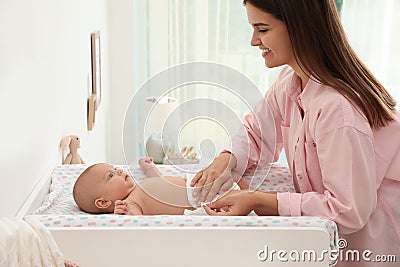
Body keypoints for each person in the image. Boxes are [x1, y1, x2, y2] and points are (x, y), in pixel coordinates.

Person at [190, 0, 400, 265]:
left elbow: (348, 211)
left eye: (262, 29)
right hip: (334, 241)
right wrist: (226, 158)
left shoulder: (337, 109)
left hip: (372, 246)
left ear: (299, 28)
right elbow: (258, 131)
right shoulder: (291, 81)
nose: (254, 41)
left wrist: (262, 200)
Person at [73, 158, 245, 215]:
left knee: (234, 175)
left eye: (115, 168)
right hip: (203, 201)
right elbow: (139, 224)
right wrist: (125, 213)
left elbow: (157, 178)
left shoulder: (140, 186)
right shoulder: (131, 202)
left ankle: (253, 195)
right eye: (110, 175)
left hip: (199, 184)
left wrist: (148, 167)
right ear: (103, 202)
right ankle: (255, 200)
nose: (118, 171)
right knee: (242, 198)